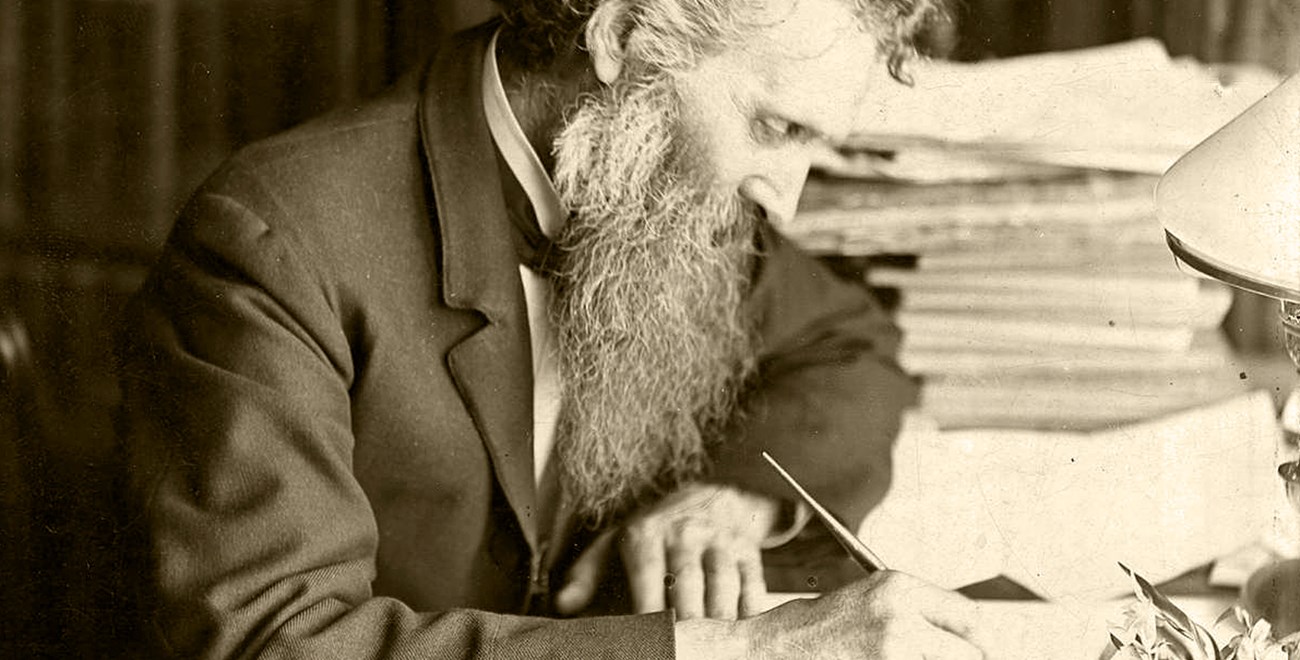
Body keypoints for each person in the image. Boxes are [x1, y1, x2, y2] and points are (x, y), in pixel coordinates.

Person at [115, 0, 991, 657]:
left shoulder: (676, 190)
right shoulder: (276, 240)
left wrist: (732, 497)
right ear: (621, 39)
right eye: (777, 126)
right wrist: (749, 649)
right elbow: (275, 639)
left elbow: (851, 345)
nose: (784, 196)